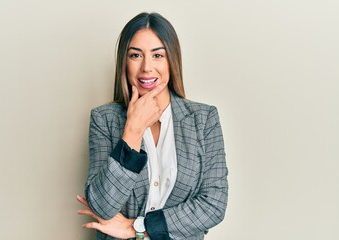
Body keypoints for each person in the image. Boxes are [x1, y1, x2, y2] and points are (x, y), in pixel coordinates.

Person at [77, 12, 228, 240]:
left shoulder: (204, 119)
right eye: (136, 55)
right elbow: (102, 206)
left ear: (172, 60)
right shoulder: (103, 119)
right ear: (124, 62)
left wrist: (138, 227)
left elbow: (214, 204)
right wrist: (133, 131)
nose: (147, 67)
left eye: (158, 55)